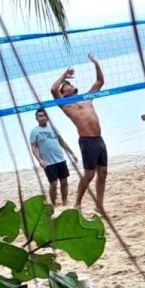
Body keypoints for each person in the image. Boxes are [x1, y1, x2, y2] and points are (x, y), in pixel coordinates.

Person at [51, 53, 107, 212]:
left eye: (68, 84)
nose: (68, 85)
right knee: (89, 174)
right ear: (65, 92)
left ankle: (99, 205)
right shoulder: (66, 104)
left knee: (103, 173)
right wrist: (64, 76)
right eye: (66, 86)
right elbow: (53, 89)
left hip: (99, 139)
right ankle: (78, 203)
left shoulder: (87, 98)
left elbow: (99, 82)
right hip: (87, 141)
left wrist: (96, 63)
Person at [29, 108, 77, 206]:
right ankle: (54, 203)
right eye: (40, 116)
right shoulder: (34, 131)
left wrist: (72, 153)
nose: (42, 118)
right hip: (48, 162)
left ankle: (64, 202)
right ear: (36, 118)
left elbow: (62, 142)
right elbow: (33, 148)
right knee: (53, 184)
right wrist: (39, 160)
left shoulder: (53, 129)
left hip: (60, 159)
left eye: (44, 115)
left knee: (64, 182)